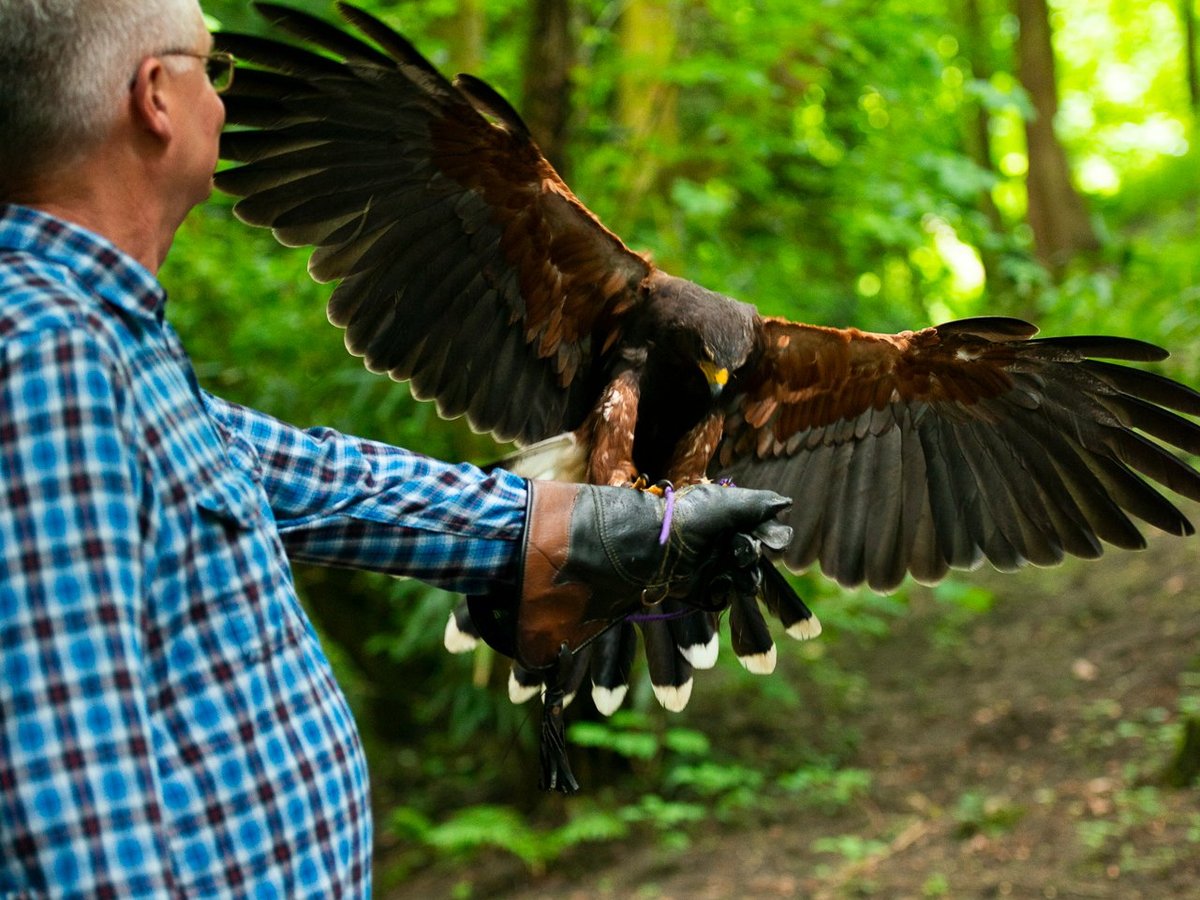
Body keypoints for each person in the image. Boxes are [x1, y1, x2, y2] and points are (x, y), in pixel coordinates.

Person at [0, 0, 792, 896]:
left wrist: (566, 531)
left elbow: (319, 481)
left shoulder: (106, 341)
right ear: (155, 98)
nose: (226, 99)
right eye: (212, 72)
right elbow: (74, 808)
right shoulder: (45, 357)